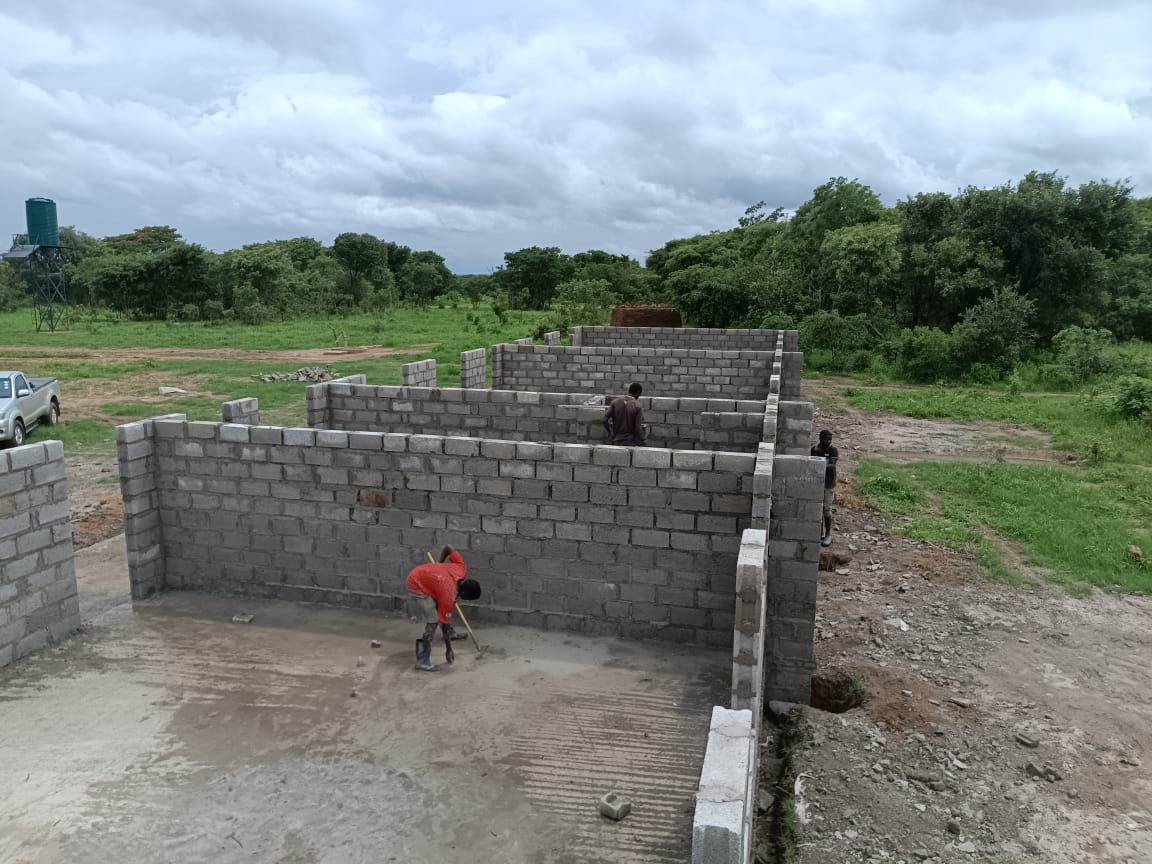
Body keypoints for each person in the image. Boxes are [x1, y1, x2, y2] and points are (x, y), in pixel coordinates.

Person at [405, 545, 481, 671]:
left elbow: (449, 547)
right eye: (466, 598)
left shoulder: (461, 568)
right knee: (433, 620)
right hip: (416, 583)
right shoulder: (447, 595)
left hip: (428, 576)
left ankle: (451, 634)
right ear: (463, 594)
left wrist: (439, 564)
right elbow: (444, 622)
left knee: (444, 610)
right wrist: (449, 649)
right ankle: (422, 661)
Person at [811, 430, 839, 547]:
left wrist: (820, 465)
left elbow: (832, 465)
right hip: (816, 483)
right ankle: (820, 533)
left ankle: (828, 535)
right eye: (826, 439)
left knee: (826, 510)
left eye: (830, 439)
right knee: (817, 509)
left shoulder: (833, 450)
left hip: (828, 484)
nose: (828, 441)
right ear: (820, 438)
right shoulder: (814, 450)